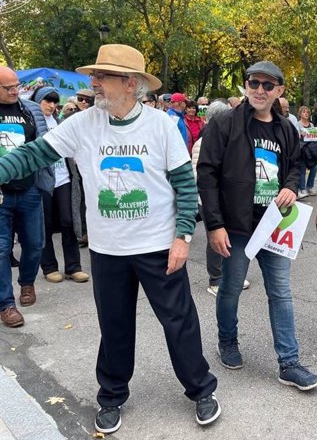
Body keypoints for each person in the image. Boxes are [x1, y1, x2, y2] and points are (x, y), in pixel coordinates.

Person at [0, 45, 220, 432]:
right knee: (115, 326)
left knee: (179, 322)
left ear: (130, 84)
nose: (93, 83)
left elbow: (185, 185)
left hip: (157, 245)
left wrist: (183, 235)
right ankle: (112, 395)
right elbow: (31, 155)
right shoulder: (83, 124)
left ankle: (201, 390)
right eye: (94, 75)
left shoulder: (161, 125)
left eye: (103, 76)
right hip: (107, 251)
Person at [197, 60, 317, 391]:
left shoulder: (285, 129)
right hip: (236, 225)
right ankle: (227, 339)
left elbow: (294, 165)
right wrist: (214, 225)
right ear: (246, 86)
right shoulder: (224, 123)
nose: (260, 90)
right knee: (231, 286)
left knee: (280, 291)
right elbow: (206, 174)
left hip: (273, 224)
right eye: (254, 83)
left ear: (279, 91)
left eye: (268, 86)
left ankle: (289, 362)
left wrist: (291, 186)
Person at [0, 66, 52, 328]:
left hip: (30, 189)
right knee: (0, 249)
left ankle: (27, 283)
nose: (14, 91)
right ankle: (6, 305)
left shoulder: (29, 110)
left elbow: (44, 145)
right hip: (1, 195)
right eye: (8, 87)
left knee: (34, 244)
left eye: (16, 86)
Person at [31, 87, 89, 284]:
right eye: (47, 101)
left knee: (69, 221)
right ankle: (49, 266)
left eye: (54, 102)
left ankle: (73, 267)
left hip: (64, 177)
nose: (51, 105)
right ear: (37, 101)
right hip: (42, 180)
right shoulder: (31, 123)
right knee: (44, 223)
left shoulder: (61, 122)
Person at [191, 101, 249, 297]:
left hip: (225, 200)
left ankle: (231, 276)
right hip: (206, 200)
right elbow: (201, 174)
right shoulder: (204, 141)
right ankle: (215, 279)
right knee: (214, 239)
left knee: (229, 239)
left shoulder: (227, 137)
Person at [296, 105, 317, 199]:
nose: (306, 114)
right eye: (304, 112)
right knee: (302, 169)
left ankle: (309, 187)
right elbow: (296, 136)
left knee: (314, 168)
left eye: (307, 112)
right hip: (302, 150)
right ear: (300, 114)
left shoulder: (312, 125)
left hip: (311, 150)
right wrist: (300, 135)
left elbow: (315, 137)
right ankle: (302, 188)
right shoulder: (298, 124)